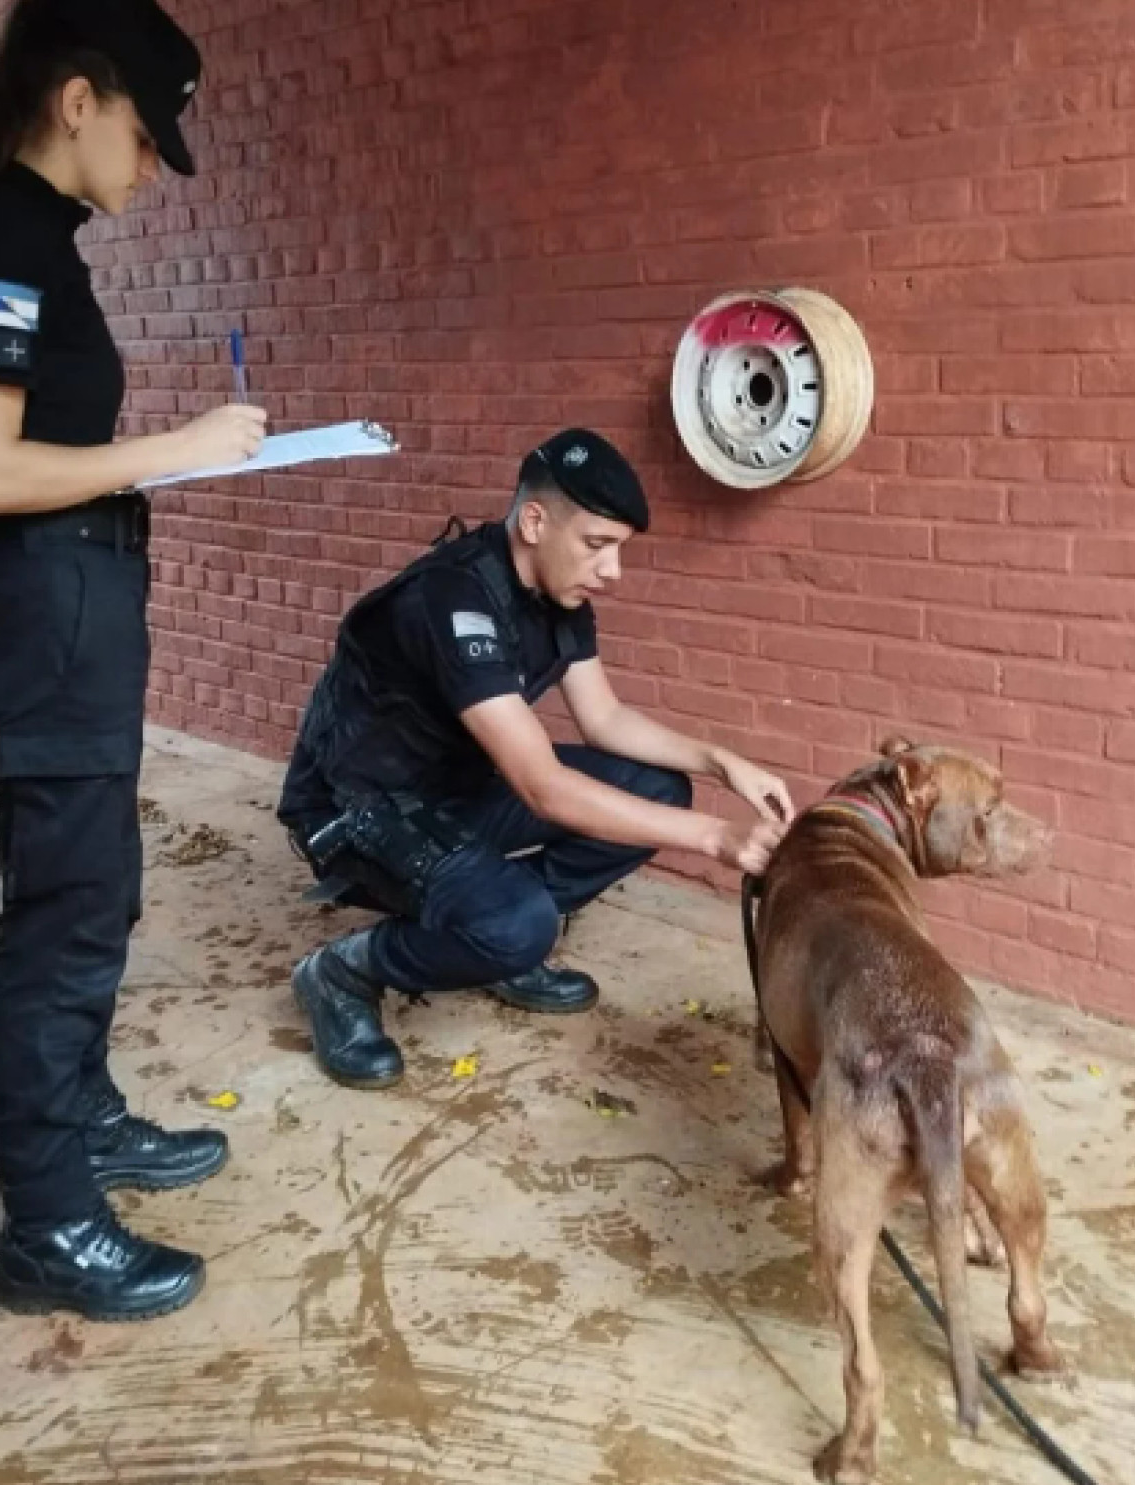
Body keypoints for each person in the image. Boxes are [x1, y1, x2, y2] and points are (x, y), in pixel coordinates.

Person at [0, 0, 268, 1321]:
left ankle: (86, 1116)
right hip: (49, 605)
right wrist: (173, 451)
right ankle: (51, 1228)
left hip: (75, 602)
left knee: (94, 889)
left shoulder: (27, 234)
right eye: (142, 135)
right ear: (78, 99)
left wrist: (146, 472)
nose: (152, 169)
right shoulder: (3, 236)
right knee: (65, 919)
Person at [279, 428, 793, 1087]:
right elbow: (546, 787)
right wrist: (716, 837)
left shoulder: (559, 596)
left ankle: (498, 942)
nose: (613, 570)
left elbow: (603, 717)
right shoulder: (453, 598)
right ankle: (345, 971)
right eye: (597, 545)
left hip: (453, 789)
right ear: (534, 520)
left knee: (661, 790)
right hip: (360, 809)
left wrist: (720, 761)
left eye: (619, 549)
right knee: (520, 920)